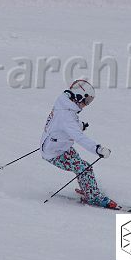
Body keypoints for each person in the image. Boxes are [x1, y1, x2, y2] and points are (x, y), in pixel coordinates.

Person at [40, 79, 117, 209]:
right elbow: (79, 137)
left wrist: (79, 125)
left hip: (58, 145)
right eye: (87, 101)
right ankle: (94, 198)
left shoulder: (64, 103)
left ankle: (88, 189)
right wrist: (98, 149)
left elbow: (62, 124)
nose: (86, 105)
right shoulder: (67, 117)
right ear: (79, 97)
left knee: (81, 166)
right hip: (55, 153)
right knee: (85, 168)